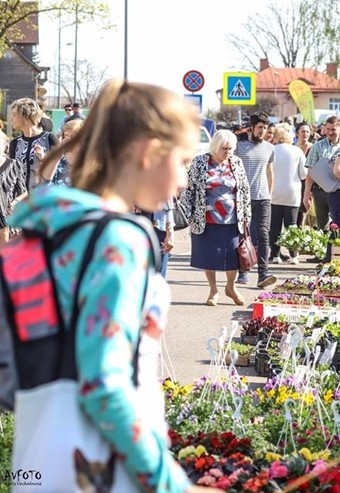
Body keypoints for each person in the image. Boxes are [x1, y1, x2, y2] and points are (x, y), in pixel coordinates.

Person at [9, 79, 219, 493]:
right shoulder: (119, 240)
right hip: (101, 468)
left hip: (37, 455)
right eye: (180, 161)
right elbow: (104, 385)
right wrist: (170, 483)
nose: (184, 181)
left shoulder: (52, 227)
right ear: (147, 153)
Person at [181, 129, 251, 305]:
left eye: (230, 149)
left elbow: (244, 189)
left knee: (234, 256)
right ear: (215, 147)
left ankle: (231, 287)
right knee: (209, 255)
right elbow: (189, 189)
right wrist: (187, 213)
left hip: (233, 218)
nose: (227, 153)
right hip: (207, 218)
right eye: (224, 149)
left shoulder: (236, 162)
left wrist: (247, 215)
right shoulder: (200, 162)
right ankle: (213, 290)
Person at [236, 113, 277, 288]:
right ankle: (243, 271)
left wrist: (270, 193)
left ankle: (263, 273)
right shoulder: (239, 147)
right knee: (243, 235)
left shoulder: (269, 148)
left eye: (265, 128)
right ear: (252, 128)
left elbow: (270, 172)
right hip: (243, 197)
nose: (263, 131)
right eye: (260, 127)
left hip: (263, 198)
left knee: (263, 234)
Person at [270, 123, 307, 264]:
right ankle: (293, 255)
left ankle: (275, 255)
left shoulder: (272, 150)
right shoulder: (297, 151)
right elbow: (303, 174)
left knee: (275, 226)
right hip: (293, 192)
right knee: (291, 225)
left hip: (274, 191)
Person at [8, 98, 59, 192]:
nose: (11, 118)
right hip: (20, 200)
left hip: (44, 198)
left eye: (14, 115)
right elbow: (12, 175)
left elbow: (58, 171)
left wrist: (44, 158)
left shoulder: (50, 139)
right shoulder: (14, 143)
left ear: (25, 116)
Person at [303, 115, 340, 229]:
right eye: (328, 129)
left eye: (333, 130)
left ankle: (335, 247)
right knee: (322, 227)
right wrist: (307, 193)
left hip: (339, 192)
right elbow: (311, 172)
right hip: (320, 193)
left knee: (339, 226)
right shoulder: (317, 147)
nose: (330, 132)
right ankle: (325, 247)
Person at [0, 131, 25, 244]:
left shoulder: (14, 165)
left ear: (5, 145)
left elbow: (24, 192)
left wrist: (15, 202)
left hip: (5, 217)